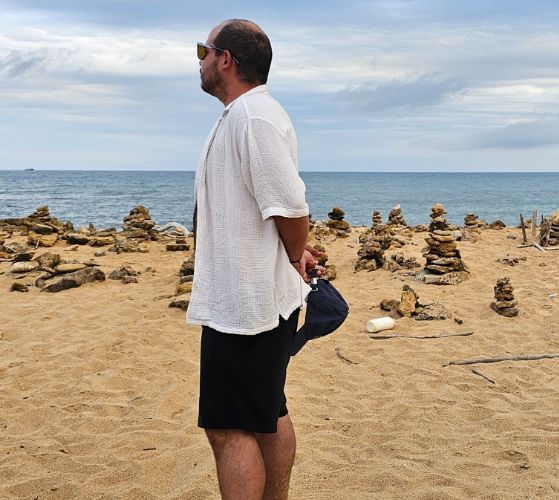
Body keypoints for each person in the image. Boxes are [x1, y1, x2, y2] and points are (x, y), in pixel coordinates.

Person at [189, 19, 322, 500]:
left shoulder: (253, 117)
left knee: (229, 428)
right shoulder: (242, 115)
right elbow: (268, 206)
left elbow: (290, 204)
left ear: (226, 59)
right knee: (267, 412)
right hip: (251, 299)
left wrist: (291, 254)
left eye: (203, 50)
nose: (199, 59)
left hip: (245, 306)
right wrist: (294, 251)